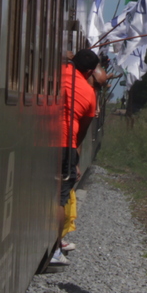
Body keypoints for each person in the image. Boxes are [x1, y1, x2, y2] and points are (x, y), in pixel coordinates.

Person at [50, 49, 102, 265]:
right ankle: (54, 249)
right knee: (59, 199)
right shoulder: (89, 93)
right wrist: (75, 158)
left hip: (39, 139)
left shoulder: (55, 72)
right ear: (89, 72)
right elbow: (81, 131)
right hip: (65, 144)